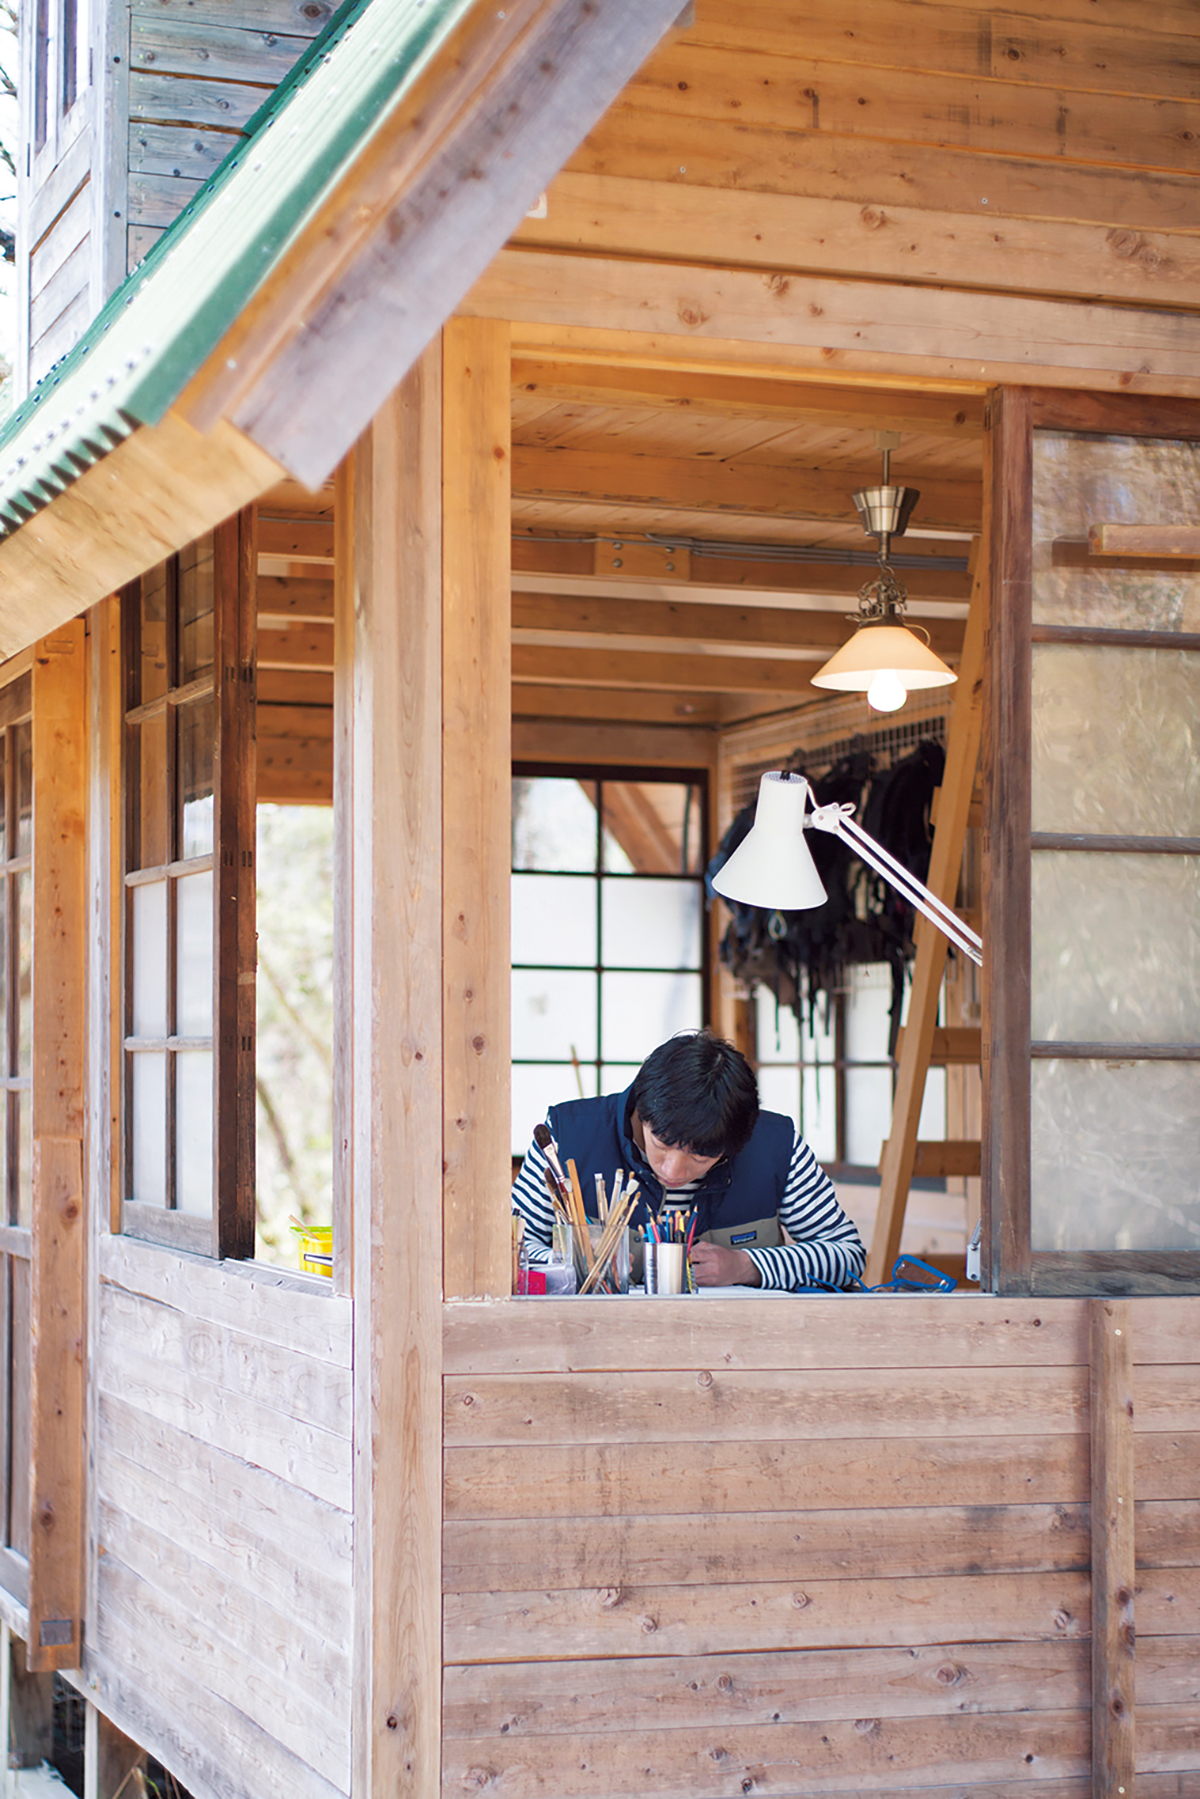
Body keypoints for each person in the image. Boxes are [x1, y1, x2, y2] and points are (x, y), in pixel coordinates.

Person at [511, 1029, 865, 1291]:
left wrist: (747, 1265)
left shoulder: (775, 1146)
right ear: (640, 1112)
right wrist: (578, 1268)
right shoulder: (567, 1138)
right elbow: (507, 1249)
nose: (673, 1171)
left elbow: (848, 1255)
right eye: (662, 1144)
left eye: (701, 1156)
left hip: (741, 1353)